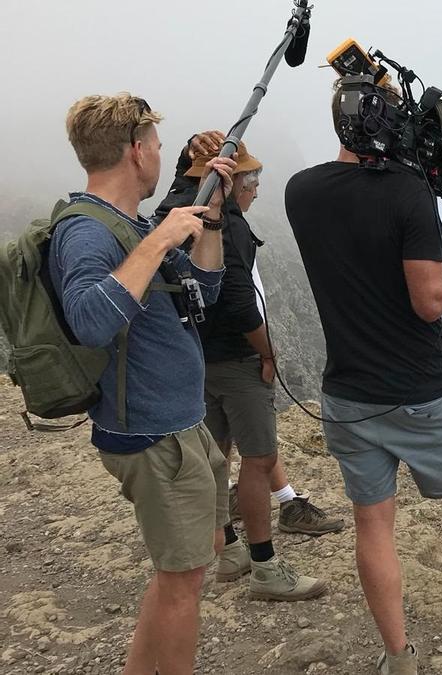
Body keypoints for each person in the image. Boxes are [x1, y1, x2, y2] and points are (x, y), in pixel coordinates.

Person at [283, 78, 442, 675]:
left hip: (348, 395)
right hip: (421, 392)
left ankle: (398, 658)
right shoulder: (408, 194)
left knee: (373, 523)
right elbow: (430, 301)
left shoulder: (300, 191)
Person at [50, 93, 235, 675]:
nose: (160, 155)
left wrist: (211, 217)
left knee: (191, 563)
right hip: (153, 436)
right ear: (136, 152)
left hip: (183, 425)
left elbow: (202, 292)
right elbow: (89, 321)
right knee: (183, 586)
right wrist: (159, 240)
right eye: (156, 146)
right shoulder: (86, 232)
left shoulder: (133, 224)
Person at [154, 136, 337, 600]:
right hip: (237, 359)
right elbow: (238, 303)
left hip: (195, 357)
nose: (255, 194)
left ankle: (230, 549)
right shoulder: (225, 226)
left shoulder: (177, 210)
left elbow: (184, 179)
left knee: (217, 453)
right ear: (234, 185)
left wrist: (188, 154)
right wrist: (269, 353)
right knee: (259, 460)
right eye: (252, 185)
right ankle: (265, 567)